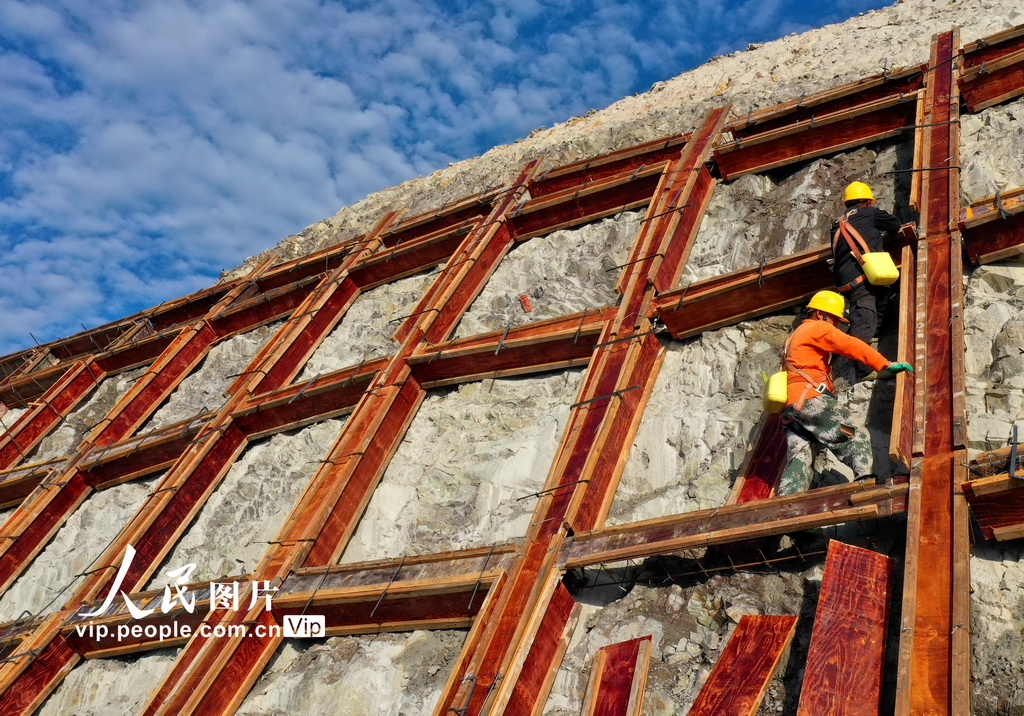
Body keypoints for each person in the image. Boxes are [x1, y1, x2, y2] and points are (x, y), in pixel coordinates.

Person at [777, 290, 913, 495]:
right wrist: (883, 364)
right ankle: (864, 481)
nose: (835, 325)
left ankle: (786, 505)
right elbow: (849, 344)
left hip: (791, 410)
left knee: (800, 455)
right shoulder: (817, 327)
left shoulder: (793, 338)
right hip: (811, 400)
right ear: (820, 314)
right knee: (854, 434)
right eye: (834, 320)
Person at [830, 181, 903, 382]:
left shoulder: (836, 223)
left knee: (882, 297)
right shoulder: (870, 213)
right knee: (864, 320)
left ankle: (874, 333)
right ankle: (863, 370)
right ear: (868, 202)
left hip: (847, 278)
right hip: (860, 278)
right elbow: (895, 225)